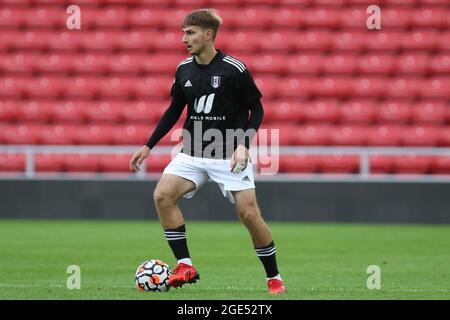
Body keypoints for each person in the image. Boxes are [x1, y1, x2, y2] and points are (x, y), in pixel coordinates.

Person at [129, 8, 286, 294]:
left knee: (249, 215)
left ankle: (274, 278)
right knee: (163, 195)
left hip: (229, 153)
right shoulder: (183, 69)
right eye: (183, 33)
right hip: (192, 152)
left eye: (189, 33)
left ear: (208, 34)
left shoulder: (233, 69)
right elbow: (174, 109)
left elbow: (257, 109)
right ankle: (185, 265)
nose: (183, 39)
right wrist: (148, 144)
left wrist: (243, 144)